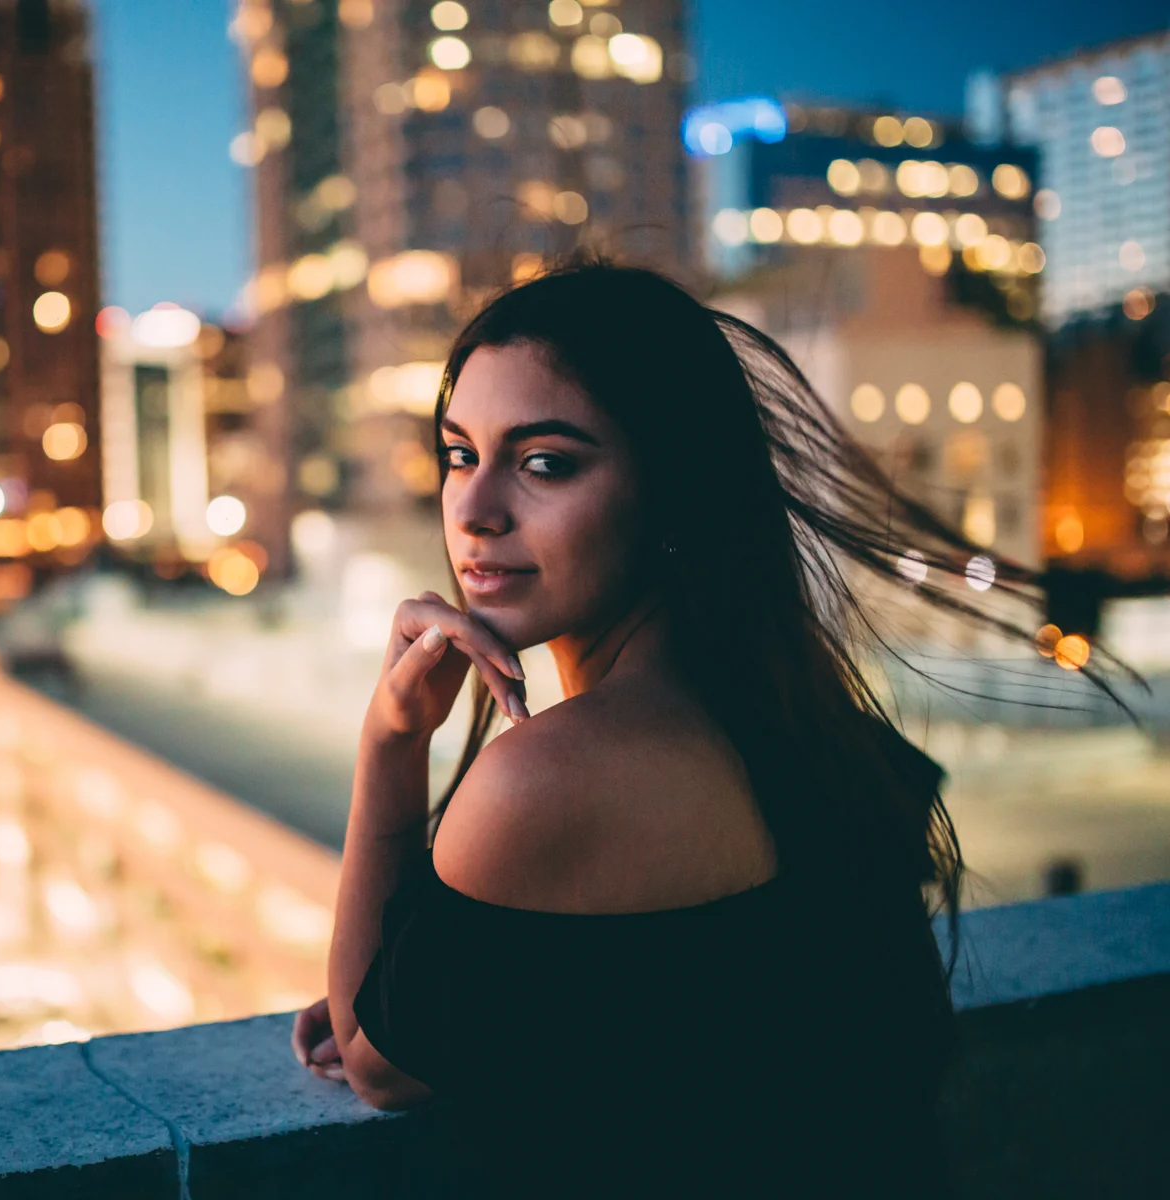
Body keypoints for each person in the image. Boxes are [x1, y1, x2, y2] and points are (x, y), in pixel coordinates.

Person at [288, 261, 1084, 1193]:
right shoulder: (789, 714)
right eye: (461, 453)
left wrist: (391, 743)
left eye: (544, 463)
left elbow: (374, 1062)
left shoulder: (552, 777)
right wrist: (463, 974)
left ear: (670, 489)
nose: (474, 508)